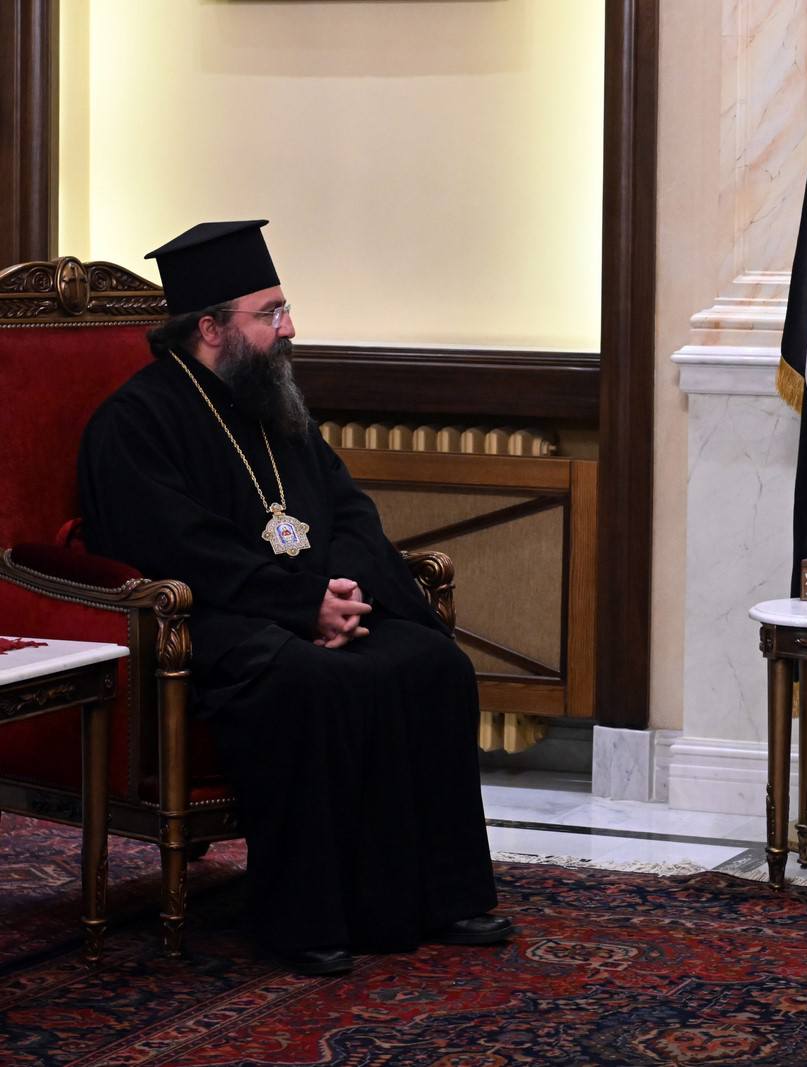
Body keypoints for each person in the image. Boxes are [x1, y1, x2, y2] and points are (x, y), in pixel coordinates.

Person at [78, 220, 509, 976]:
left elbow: (347, 510)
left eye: (285, 308)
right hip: (211, 622)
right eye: (270, 312)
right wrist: (301, 606)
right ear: (210, 327)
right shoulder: (135, 423)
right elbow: (182, 547)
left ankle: (442, 898)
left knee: (434, 663)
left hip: (313, 605)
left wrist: (343, 592)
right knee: (312, 681)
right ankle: (308, 919)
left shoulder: (273, 403)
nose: (290, 328)